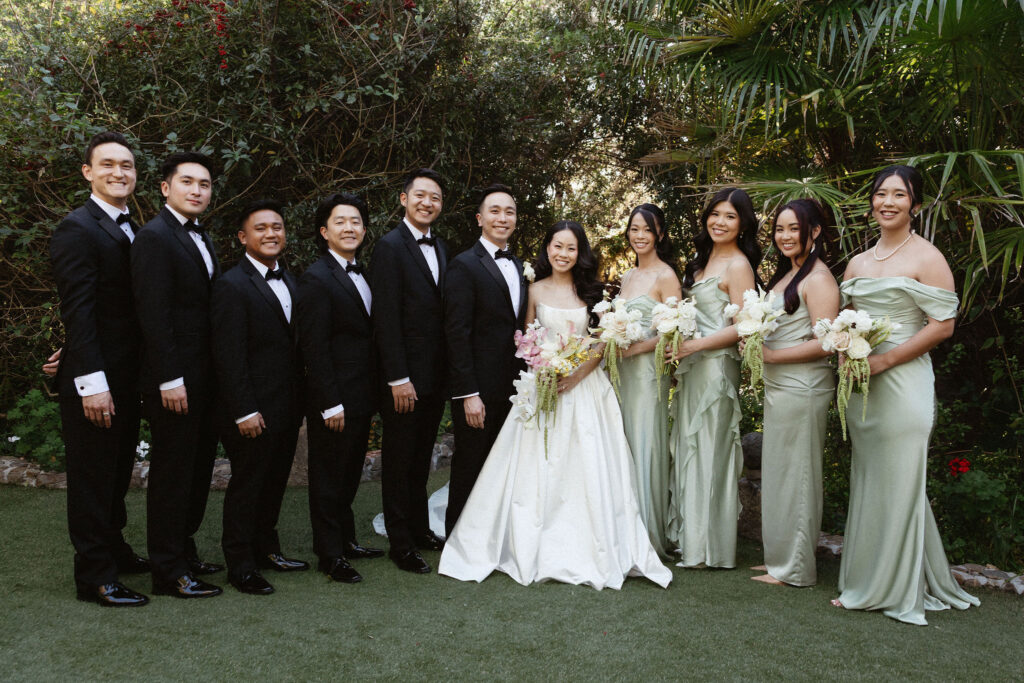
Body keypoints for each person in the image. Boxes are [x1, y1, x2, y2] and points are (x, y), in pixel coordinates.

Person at [439, 221, 672, 590]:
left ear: (580, 254)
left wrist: (577, 375)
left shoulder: (594, 293)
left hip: (586, 389)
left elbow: (602, 342)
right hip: (543, 386)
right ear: (547, 248)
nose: (563, 254)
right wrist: (543, 368)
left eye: (571, 248)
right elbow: (527, 338)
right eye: (557, 246)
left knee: (588, 466)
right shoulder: (532, 289)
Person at [833, 165, 979, 624]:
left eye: (899, 195)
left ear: (915, 205)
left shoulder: (927, 257)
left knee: (900, 479)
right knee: (873, 480)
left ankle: (893, 591)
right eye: (881, 194)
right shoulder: (857, 263)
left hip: (903, 381)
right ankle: (867, 579)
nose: (888, 202)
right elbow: (846, 322)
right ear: (872, 202)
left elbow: (944, 325)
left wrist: (883, 362)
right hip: (862, 388)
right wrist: (847, 356)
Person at [49, 131, 149, 607]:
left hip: (128, 375)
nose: (119, 172)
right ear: (88, 172)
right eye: (107, 164)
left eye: (126, 165)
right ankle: (95, 577)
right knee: (92, 478)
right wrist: (90, 383)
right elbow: (79, 311)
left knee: (115, 473)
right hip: (98, 381)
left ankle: (115, 547)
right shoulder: (77, 228)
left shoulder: (130, 224)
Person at [131, 151, 223, 598]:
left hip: (204, 376)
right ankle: (168, 571)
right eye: (187, 182)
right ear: (166, 188)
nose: (197, 191)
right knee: (172, 473)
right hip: (175, 380)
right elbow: (154, 315)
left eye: (204, 185)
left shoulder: (200, 236)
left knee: (197, 467)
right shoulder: (153, 237)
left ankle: (182, 550)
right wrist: (169, 379)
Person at [211, 199, 308, 595]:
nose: (271, 234)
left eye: (277, 227)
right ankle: (240, 565)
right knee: (248, 485)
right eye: (261, 228)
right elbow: (228, 356)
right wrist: (244, 410)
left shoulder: (292, 279)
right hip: (251, 408)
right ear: (242, 237)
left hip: (286, 405)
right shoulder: (231, 285)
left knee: (273, 483)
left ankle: (268, 550)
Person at [666, 188, 760, 569]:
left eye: (730, 216)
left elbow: (745, 327)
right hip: (692, 368)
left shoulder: (738, 266)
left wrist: (695, 346)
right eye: (715, 214)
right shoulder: (700, 263)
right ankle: (692, 540)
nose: (720, 222)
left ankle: (710, 549)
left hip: (717, 367)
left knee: (710, 450)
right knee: (690, 450)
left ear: (743, 225)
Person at [750, 199, 838, 587]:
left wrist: (771, 354)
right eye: (779, 229)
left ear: (815, 232)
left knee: (799, 474)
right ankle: (780, 557)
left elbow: (827, 343)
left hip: (803, 386)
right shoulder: (787, 276)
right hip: (781, 385)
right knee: (782, 473)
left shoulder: (818, 279)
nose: (784, 236)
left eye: (793, 228)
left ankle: (797, 568)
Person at [296, 193, 383, 585]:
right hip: (334, 398)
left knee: (348, 473)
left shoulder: (363, 274)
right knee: (328, 476)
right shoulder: (316, 278)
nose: (349, 228)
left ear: (364, 230)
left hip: (362, 393)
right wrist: (329, 402)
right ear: (324, 231)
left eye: (356, 222)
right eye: (340, 222)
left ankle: (346, 541)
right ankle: (329, 554)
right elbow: (314, 347)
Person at [370, 169, 449, 574]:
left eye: (434, 197)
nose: (427, 203)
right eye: (420, 195)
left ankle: (419, 529)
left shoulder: (442, 246)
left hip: (434, 378)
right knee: (400, 461)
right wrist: (398, 377)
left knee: (421, 460)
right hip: (403, 379)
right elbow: (385, 318)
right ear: (403, 199)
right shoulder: (388, 247)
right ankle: (400, 543)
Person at [443, 183, 528, 538]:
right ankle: (458, 539)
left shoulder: (522, 266)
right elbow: (456, 334)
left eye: (509, 211)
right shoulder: (464, 265)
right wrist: (467, 393)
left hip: (515, 388)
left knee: (503, 467)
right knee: (469, 464)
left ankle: (494, 538)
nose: (502, 217)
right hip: (478, 389)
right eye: (494, 211)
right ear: (480, 219)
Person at [613, 203, 682, 558]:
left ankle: (647, 536)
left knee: (645, 445)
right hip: (620, 375)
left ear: (660, 235)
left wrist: (635, 349)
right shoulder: (627, 277)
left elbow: (675, 332)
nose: (639, 236)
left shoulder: (665, 276)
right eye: (634, 229)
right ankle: (622, 533)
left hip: (645, 374)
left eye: (647, 230)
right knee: (622, 446)